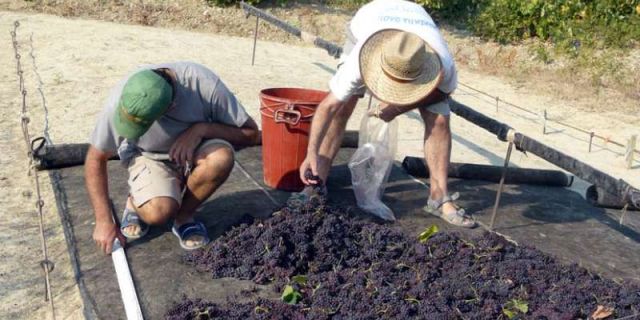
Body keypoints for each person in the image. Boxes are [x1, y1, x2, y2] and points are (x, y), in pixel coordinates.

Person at [298, 0, 476, 227]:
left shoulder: (442, 63)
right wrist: (310, 152)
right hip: (370, 21)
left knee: (439, 120)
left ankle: (439, 197)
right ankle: (317, 180)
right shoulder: (360, 60)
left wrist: (396, 108)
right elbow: (328, 107)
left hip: (415, 30)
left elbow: (440, 95)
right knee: (345, 105)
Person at [86, 62, 260, 254]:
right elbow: (96, 158)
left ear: (172, 106)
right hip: (147, 153)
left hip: (196, 148)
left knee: (220, 159)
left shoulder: (205, 86)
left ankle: (184, 216)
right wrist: (103, 221)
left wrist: (201, 130)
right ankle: (135, 201)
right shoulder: (120, 100)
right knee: (157, 213)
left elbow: (251, 134)